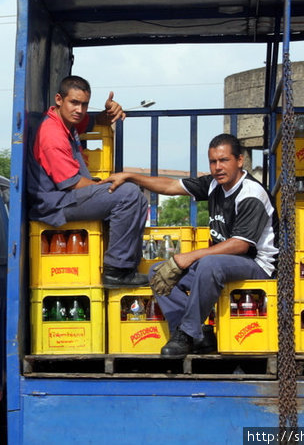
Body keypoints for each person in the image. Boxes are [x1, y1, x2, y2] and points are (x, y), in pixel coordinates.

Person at [101, 134, 279, 357]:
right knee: (160, 272)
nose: (218, 167)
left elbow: (241, 245)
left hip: (257, 265)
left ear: (240, 161)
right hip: (223, 263)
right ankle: (194, 335)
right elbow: (171, 186)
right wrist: (131, 177)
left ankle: (186, 335)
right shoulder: (214, 184)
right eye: (213, 162)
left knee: (208, 264)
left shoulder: (251, 193)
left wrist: (191, 256)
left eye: (224, 160)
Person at [27, 75, 149, 288]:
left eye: (84, 104)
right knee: (127, 193)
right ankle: (116, 271)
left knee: (131, 191)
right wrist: (108, 185)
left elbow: (97, 120)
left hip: (67, 196)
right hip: (55, 204)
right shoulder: (52, 135)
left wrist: (109, 112)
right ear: (59, 99)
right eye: (74, 102)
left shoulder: (67, 121)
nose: (80, 110)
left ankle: (127, 266)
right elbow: (73, 184)